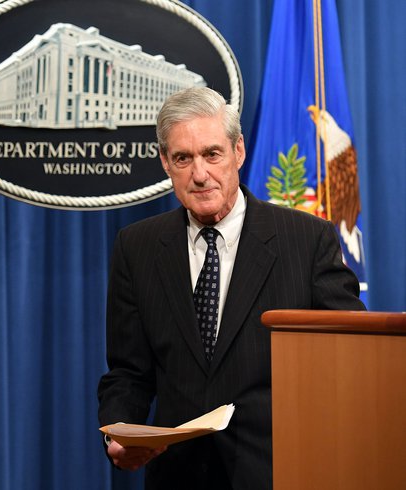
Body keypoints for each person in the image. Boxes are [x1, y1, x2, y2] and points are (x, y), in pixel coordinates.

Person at [97, 86, 365, 489]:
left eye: (212, 153)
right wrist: (120, 433)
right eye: (183, 158)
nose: (200, 174)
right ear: (165, 163)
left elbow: (349, 363)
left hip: (281, 473)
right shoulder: (137, 247)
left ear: (238, 152)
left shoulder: (307, 241)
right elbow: (128, 373)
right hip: (179, 478)